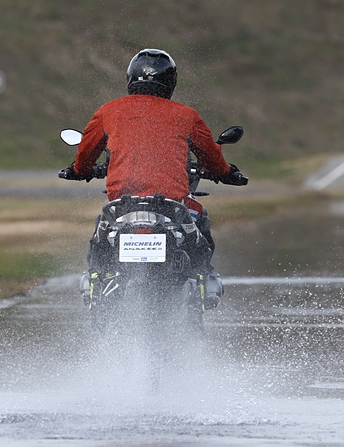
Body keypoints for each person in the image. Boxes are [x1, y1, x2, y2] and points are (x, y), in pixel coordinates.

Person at [64, 48, 243, 308]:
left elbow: (85, 154)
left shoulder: (108, 111)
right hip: (172, 204)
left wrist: (78, 171)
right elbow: (211, 156)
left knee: (100, 238)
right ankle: (204, 283)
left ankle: (95, 283)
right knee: (200, 227)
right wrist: (226, 173)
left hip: (122, 204)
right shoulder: (186, 115)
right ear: (170, 82)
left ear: (131, 79)